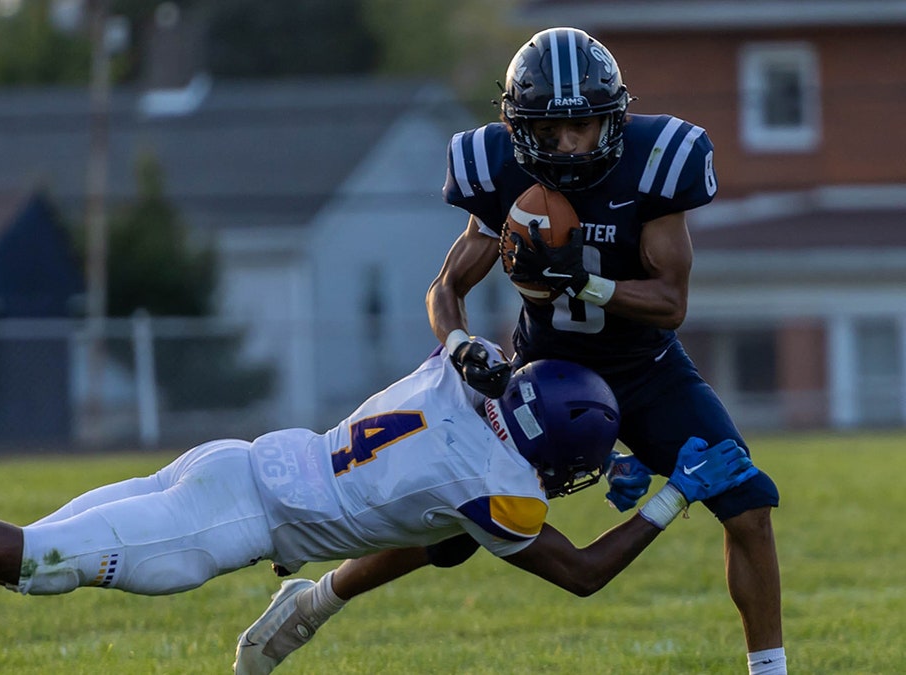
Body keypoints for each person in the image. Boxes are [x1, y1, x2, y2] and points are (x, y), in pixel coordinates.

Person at [235, 26, 785, 675]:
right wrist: (460, 342)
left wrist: (584, 279)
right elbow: (445, 287)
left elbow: (671, 303)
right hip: (547, 376)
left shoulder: (660, 159)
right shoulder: (500, 168)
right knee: (452, 522)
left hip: (647, 371)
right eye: (550, 131)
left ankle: (769, 671)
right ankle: (315, 602)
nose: (569, 144)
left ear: (613, 114)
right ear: (519, 127)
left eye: (583, 125)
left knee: (746, 502)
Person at [0, 344, 757, 675]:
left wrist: (602, 467)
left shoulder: (456, 376)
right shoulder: (502, 495)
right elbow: (578, 571)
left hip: (239, 462)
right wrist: (666, 495)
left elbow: (454, 314)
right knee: (32, 557)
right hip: (230, 529)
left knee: (18, 554)